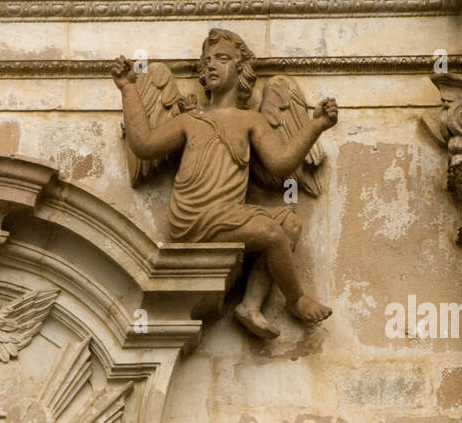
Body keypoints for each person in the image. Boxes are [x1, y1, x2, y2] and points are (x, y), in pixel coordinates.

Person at [113, 28, 337, 336]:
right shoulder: (190, 121)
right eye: (207, 60)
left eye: (222, 59)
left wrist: (316, 126)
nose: (211, 65)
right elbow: (144, 145)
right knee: (271, 231)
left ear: (241, 69)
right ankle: (296, 298)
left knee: (289, 223)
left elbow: (282, 165)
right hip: (194, 216)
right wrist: (128, 88)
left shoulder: (251, 121)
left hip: (227, 212)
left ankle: (250, 305)